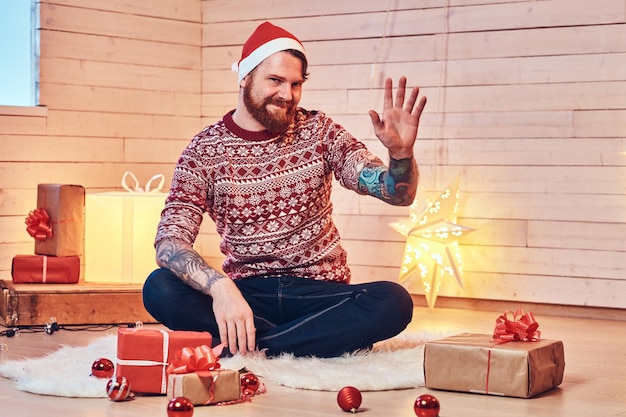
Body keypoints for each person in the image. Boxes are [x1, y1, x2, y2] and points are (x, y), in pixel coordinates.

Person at [143, 21, 427, 358]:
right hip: (248, 293)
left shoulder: (320, 131)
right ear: (245, 76)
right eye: (275, 80)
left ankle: (259, 347)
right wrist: (220, 287)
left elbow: (396, 193)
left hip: (318, 294)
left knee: (393, 301)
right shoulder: (204, 150)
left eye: (296, 84)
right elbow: (169, 240)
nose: (287, 94)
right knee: (158, 287)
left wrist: (400, 154)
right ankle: (309, 341)